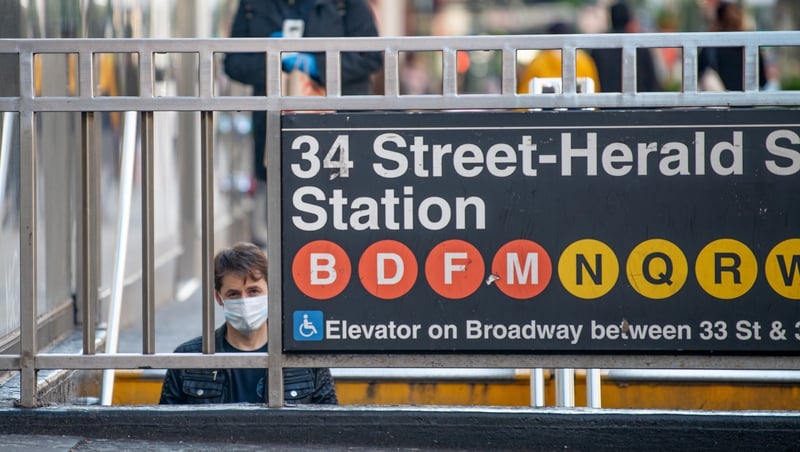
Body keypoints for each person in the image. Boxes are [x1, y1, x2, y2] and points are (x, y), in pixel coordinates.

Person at [224, 1, 384, 247]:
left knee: (343, 208)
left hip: (338, 127)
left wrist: (318, 66)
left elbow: (371, 56)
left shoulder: (346, 4)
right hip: (276, 130)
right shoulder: (252, 5)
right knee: (279, 219)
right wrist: (274, 60)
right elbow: (233, 63)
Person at [159, 242, 337, 404]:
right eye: (233, 294)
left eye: (253, 291)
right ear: (219, 297)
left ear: (271, 291)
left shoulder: (303, 356)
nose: (244, 301)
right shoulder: (190, 359)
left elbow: (331, 424)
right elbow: (165, 429)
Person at [590, 1, 662, 93]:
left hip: (606, 104)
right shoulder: (640, 46)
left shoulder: (599, 47)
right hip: (638, 105)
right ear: (629, 19)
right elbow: (653, 82)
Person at [697, 1, 767, 91]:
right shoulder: (751, 47)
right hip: (746, 103)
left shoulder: (710, 47)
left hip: (719, 103)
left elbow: (697, 78)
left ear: (717, 21)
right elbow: (763, 82)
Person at [518, 22, 600, 94]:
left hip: (545, 107)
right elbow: (593, 88)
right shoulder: (584, 60)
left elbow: (526, 90)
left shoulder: (539, 61)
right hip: (579, 107)